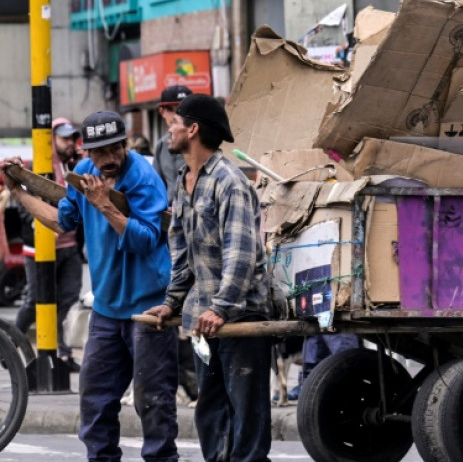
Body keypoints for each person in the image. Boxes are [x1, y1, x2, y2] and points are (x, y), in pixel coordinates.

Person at [2, 111, 179, 461]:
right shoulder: (82, 175)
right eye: (100, 152)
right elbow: (61, 221)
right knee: (95, 403)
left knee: (154, 402)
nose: (109, 158)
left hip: (148, 310)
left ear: (125, 145)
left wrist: (105, 206)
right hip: (106, 310)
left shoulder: (143, 179)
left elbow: (146, 239)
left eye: (115, 149)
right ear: (86, 151)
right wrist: (18, 192)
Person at [145, 93, 273, 462]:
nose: (169, 130)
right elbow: (182, 252)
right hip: (204, 317)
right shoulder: (183, 181)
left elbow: (241, 252)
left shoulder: (229, 182)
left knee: (246, 415)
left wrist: (221, 306)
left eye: (175, 122)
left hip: (240, 314)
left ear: (193, 130)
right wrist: (172, 302)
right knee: (212, 411)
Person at [14, 118, 85, 372]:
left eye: (72, 138)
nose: (70, 143)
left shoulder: (75, 166)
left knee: (68, 299)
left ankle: (63, 355)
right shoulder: (37, 166)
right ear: (51, 139)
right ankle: (8, 346)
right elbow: (22, 203)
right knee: (36, 300)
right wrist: (37, 226)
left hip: (69, 246)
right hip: (40, 248)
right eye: (64, 138)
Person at [153, 85, 192, 204]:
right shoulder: (162, 145)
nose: (177, 115)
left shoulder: (199, 142)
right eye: (171, 109)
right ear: (162, 111)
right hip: (170, 210)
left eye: (182, 109)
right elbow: (156, 185)